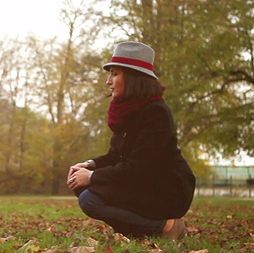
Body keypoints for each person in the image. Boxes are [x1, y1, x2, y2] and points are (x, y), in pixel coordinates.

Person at [67, 41, 195, 240]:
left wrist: (92, 176)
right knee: (80, 185)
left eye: (115, 74)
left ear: (134, 77)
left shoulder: (155, 112)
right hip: (142, 184)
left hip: (167, 190)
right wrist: (89, 165)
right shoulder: (127, 110)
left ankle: (166, 226)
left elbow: (140, 167)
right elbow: (115, 155)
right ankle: (138, 233)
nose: (108, 81)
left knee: (89, 200)